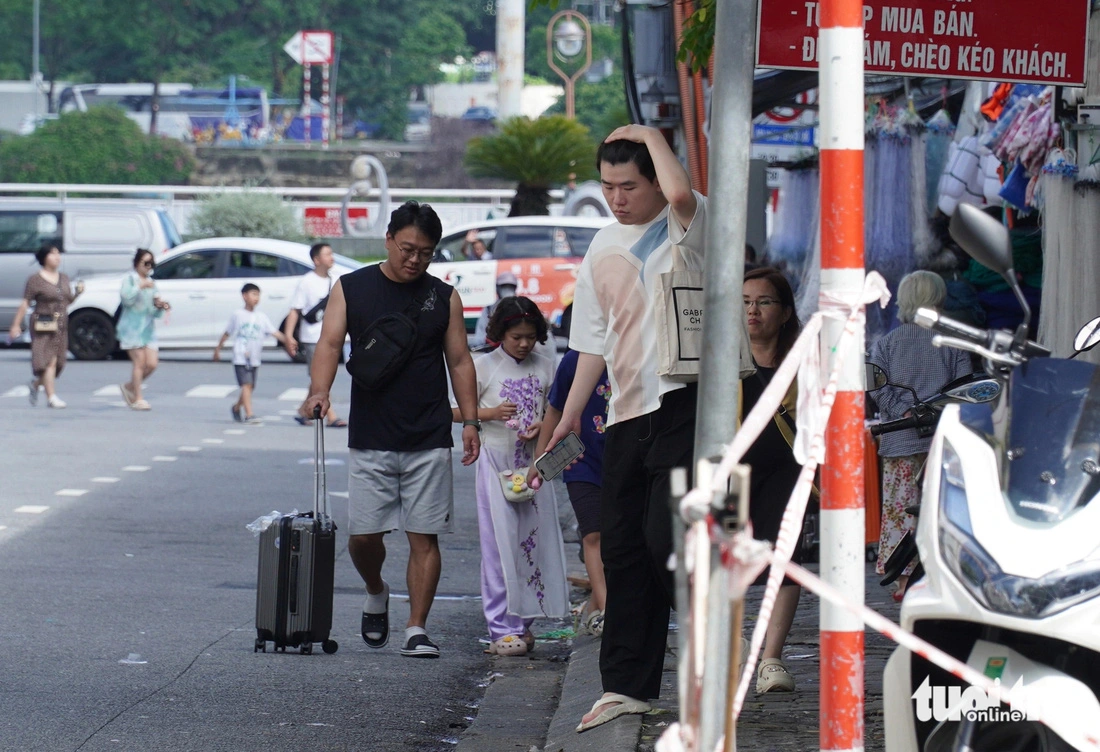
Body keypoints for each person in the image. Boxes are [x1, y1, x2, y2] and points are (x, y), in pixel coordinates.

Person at [541, 124, 707, 732]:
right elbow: (592, 343)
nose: (616, 197)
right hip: (624, 410)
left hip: (685, 404)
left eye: (628, 185)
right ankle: (626, 687)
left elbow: (684, 195)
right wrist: (567, 417)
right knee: (623, 549)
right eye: (607, 185)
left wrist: (654, 137)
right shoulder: (602, 244)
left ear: (655, 180)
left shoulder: (688, 224)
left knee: (667, 542)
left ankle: (706, 663)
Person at [301, 200, 482, 659]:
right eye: (407, 248)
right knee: (364, 537)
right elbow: (327, 343)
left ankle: (416, 627)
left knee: (424, 536)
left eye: (425, 252)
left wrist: (471, 420)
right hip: (371, 433)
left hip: (428, 433)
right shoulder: (352, 288)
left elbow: (459, 361)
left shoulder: (443, 297)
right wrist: (319, 390)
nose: (414, 259)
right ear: (388, 239)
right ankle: (376, 588)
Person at [454, 296, 568, 657]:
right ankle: (501, 627)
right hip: (495, 464)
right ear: (500, 332)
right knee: (498, 548)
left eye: (530, 337)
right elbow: (452, 411)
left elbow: (557, 410)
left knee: (533, 545)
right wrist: (488, 413)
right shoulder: (482, 366)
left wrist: (542, 426)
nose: (523, 343)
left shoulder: (548, 365)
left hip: (534, 467)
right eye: (516, 336)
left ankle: (524, 623)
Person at [869, 270, 971, 600]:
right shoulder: (952, 342)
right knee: (943, 509)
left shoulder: (885, 344)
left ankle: (903, 581)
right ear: (938, 300)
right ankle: (943, 575)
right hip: (942, 442)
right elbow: (964, 390)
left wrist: (904, 412)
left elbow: (878, 391)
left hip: (899, 440)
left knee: (902, 509)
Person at [740, 266, 806, 693]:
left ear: (784, 312)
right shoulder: (722, 361)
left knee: (784, 561)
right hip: (733, 473)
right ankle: (734, 643)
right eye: (745, 303)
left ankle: (771, 659)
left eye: (764, 302)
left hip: (787, 472)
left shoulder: (802, 362)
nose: (753, 311)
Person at [535, 348, 611, 637]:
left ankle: (594, 607)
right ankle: (608, 611)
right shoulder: (574, 360)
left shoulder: (635, 350)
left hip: (625, 460)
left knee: (619, 538)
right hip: (582, 461)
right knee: (593, 535)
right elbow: (555, 410)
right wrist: (539, 461)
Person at [8, 244, 83, 409]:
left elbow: (67, 300)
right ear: (44, 258)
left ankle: (35, 385)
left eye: (58, 254)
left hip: (61, 323)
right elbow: (25, 303)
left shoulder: (63, 277)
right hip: (43, 323)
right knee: (48, 360)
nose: (57, 257)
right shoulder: (35, 279)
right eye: (53, 254)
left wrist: (77, 293)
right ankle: (52, 397)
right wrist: (15, 325)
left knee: (59, 363)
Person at [284, 243, 346, 428]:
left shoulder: (334, 280)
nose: (332, 257)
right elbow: (295, 310)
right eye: (328, 254)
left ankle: (303, 410)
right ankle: (331, 416)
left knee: (319, 377)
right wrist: (288, 335)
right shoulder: (306, 281)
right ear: (316, 259)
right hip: (312, 337)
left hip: (332, 337)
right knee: (320, 376)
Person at [213, 283, 288, 424]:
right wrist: (218, 349)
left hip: (254, 357)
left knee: (250, 386)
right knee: (246, 385)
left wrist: (288, 340)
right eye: (253, 294)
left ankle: (236, 407)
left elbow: (274, 332)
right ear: (244, 296)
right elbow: (227, 332)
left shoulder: (261, 317)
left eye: (258, 295)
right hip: (241, 356)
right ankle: (249, 414)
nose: (256, 298)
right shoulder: (238, 315)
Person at [118, 248, 170, 411]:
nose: (149, 267)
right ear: (137, 264)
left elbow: (154, 310)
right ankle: (138, 398)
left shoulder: (152, 284)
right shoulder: (130, 280)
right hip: (132, 328)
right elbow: (126, 299)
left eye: (151, 263)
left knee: (152, 364)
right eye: (146, 263)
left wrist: (160, 306)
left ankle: (129, 387)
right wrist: (140, 286)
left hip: (148, 329)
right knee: (139, 363)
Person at [473, 272, 518, 347]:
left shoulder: (522, 307)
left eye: (510, 287)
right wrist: (488, 341)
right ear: (497, 288)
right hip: (494, 352)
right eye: (504, 287)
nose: (507, 290)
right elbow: (479, 337)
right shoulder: (489, 309)